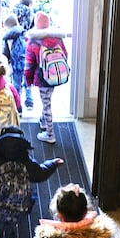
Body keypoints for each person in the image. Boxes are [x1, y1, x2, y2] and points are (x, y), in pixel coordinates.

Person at [24, 11, 68, 144]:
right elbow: (65, 55)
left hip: (42, 77)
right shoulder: (58, 39)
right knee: (47, 99)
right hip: (55, 75)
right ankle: (43, 122)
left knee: (46, 104)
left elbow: (29, 64)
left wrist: (28, 80)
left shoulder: (33, 42)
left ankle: (50, 134)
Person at [2, 14, 34, 111]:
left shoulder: (8, 37)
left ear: (7, 26)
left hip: (16, 65)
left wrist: (6, 64)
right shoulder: (25, 33)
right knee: (28, 83)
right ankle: (29, 102)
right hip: (28, 63)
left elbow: (5, 53)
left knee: (16, 85)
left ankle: (18, 107)